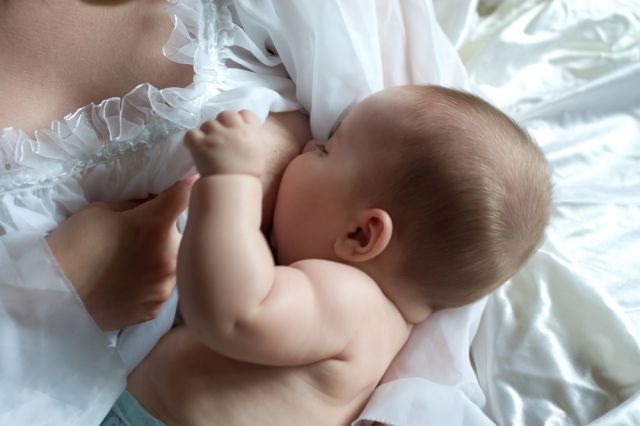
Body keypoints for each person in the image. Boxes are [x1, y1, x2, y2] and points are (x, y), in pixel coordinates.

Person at [120, 84, 551, 425]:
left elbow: (236, 312)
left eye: (327, 149)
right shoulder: (381, 332)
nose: (309, 145)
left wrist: (233, 180)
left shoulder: (350, 299)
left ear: (361, 235)